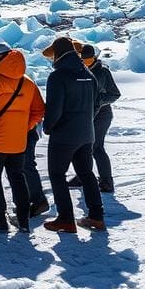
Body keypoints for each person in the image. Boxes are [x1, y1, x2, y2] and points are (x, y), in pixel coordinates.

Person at [0, 42, 46, 233]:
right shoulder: (28, 82)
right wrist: (24, 128)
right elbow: (39, 111)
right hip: (18, 143)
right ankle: (23, 220)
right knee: (18, 178)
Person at [41, 36, 105, 234]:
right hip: (87, 133)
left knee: (57, 174)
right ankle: (96, 216)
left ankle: (66, 219)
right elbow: (96, 104)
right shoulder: (88, 73)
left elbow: (54, 109)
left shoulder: (58, 76)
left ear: (58, 54)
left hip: (64, 136)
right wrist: (85, 122)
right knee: (86, 174)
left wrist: (48, 127)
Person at [69, 44, 121, 193]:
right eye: (83, 59)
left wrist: (99, 100)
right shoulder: (78, 71)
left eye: (88, 59)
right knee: (81, 148)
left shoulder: (103, 72)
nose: (85, 62)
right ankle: (83, 175)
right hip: (85, 115)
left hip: (102, 115)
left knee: (96, 147)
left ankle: (106, 182)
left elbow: (115, 94)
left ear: (94, 58)